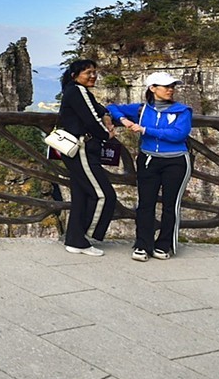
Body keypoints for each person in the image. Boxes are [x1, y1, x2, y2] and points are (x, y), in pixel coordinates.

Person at [108, 71, 194, 261]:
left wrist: (146, 130)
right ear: (153, 88)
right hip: (148, 159)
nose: (170, 90)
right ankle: (142, 244)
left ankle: (164, 244)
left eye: (172, 86)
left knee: (171, 204)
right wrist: (124, 120)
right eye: (166, 86)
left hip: (176, 161)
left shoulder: (183, 111)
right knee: (145, 204)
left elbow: (178, 134)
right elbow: (112, 108)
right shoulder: (142, 109)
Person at [56, 59, 117, 256]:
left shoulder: (75, 91)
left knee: (81, 195)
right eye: (88, 72)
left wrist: (106, 114)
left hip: (78, 150)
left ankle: (74, 240)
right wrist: (106, 134)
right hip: (81, 148)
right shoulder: (77, 91)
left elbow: (96, 108)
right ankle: (84, 237)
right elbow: (91, 120)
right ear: (75, 76)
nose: (93, 76)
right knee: (104, 195)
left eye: (94, 72)